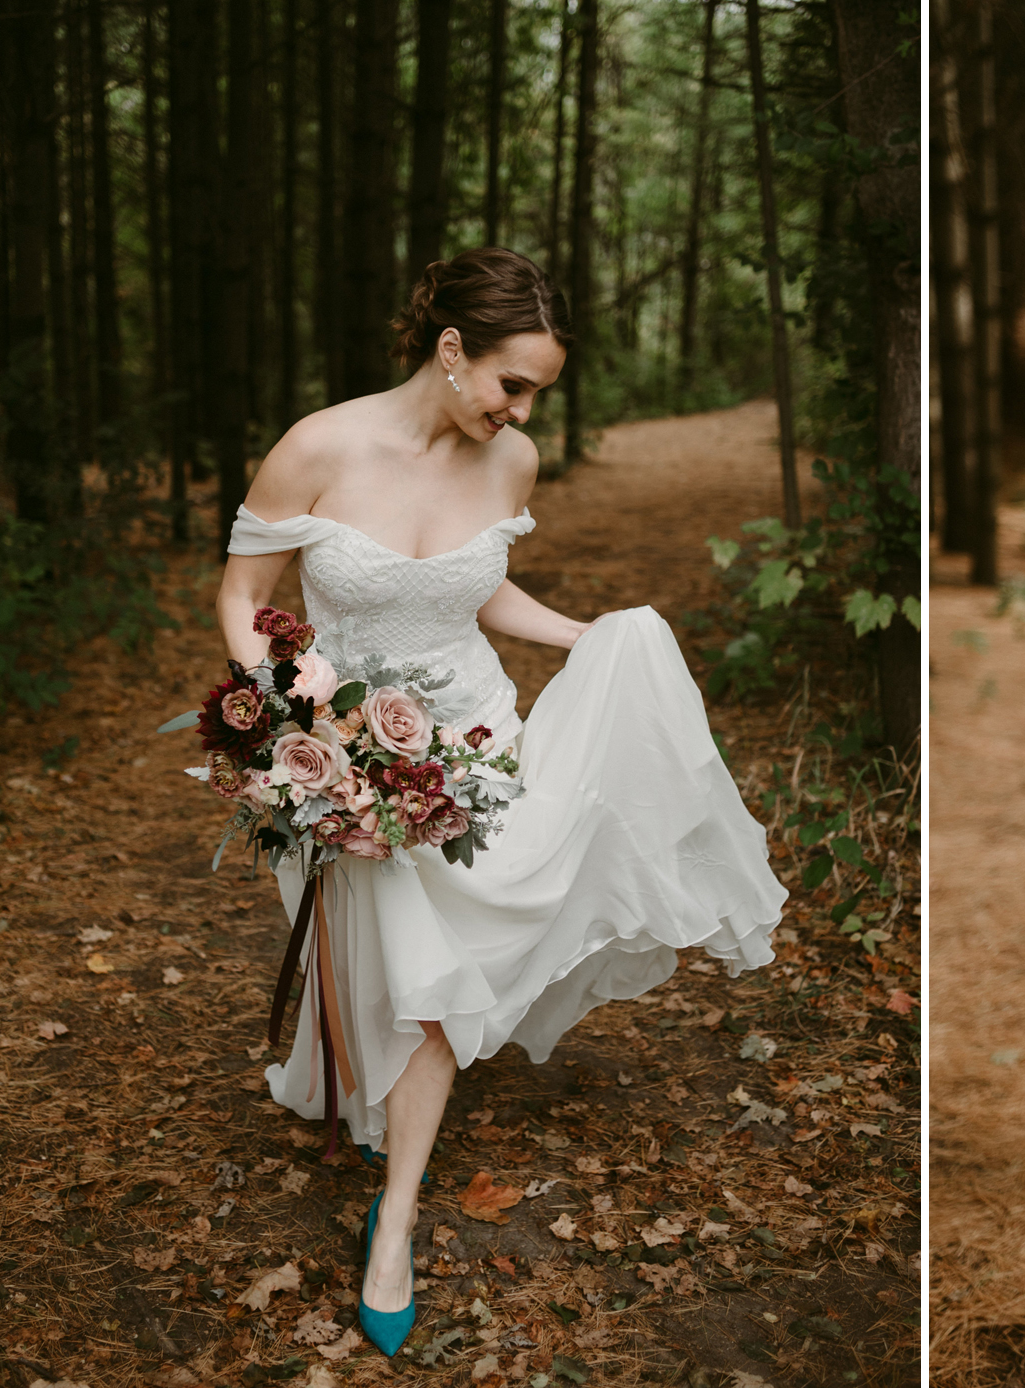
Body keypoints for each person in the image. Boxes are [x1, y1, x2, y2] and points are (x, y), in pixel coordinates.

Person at [214, 247, 786, 1357]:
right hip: (344, 753)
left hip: (477, 753)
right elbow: (244, 595)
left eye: (536, 395)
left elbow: (474, 587)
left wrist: (596, 639)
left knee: (435, 988)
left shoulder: (510, 461)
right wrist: (290, 704)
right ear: (448, 349)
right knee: (375, 972)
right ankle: (362, 1106)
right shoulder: (318, 447)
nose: (520, 412)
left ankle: (394, 1228)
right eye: (510, 384)